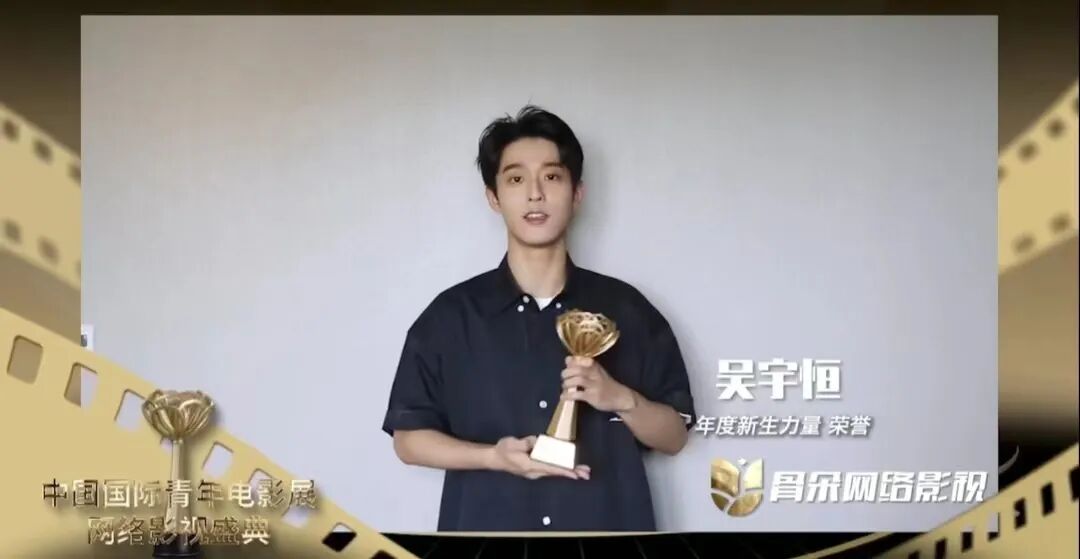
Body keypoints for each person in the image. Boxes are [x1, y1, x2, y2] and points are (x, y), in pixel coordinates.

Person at [381, 105, 696, 532]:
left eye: (551, 177)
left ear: (577, 193)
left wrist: (620, 398)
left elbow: (675, 436)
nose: (535, 194)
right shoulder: (449, 317)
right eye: (516, 179)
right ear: (493, 197)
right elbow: (408, 440)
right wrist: (492, 457)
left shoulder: (627, 310)